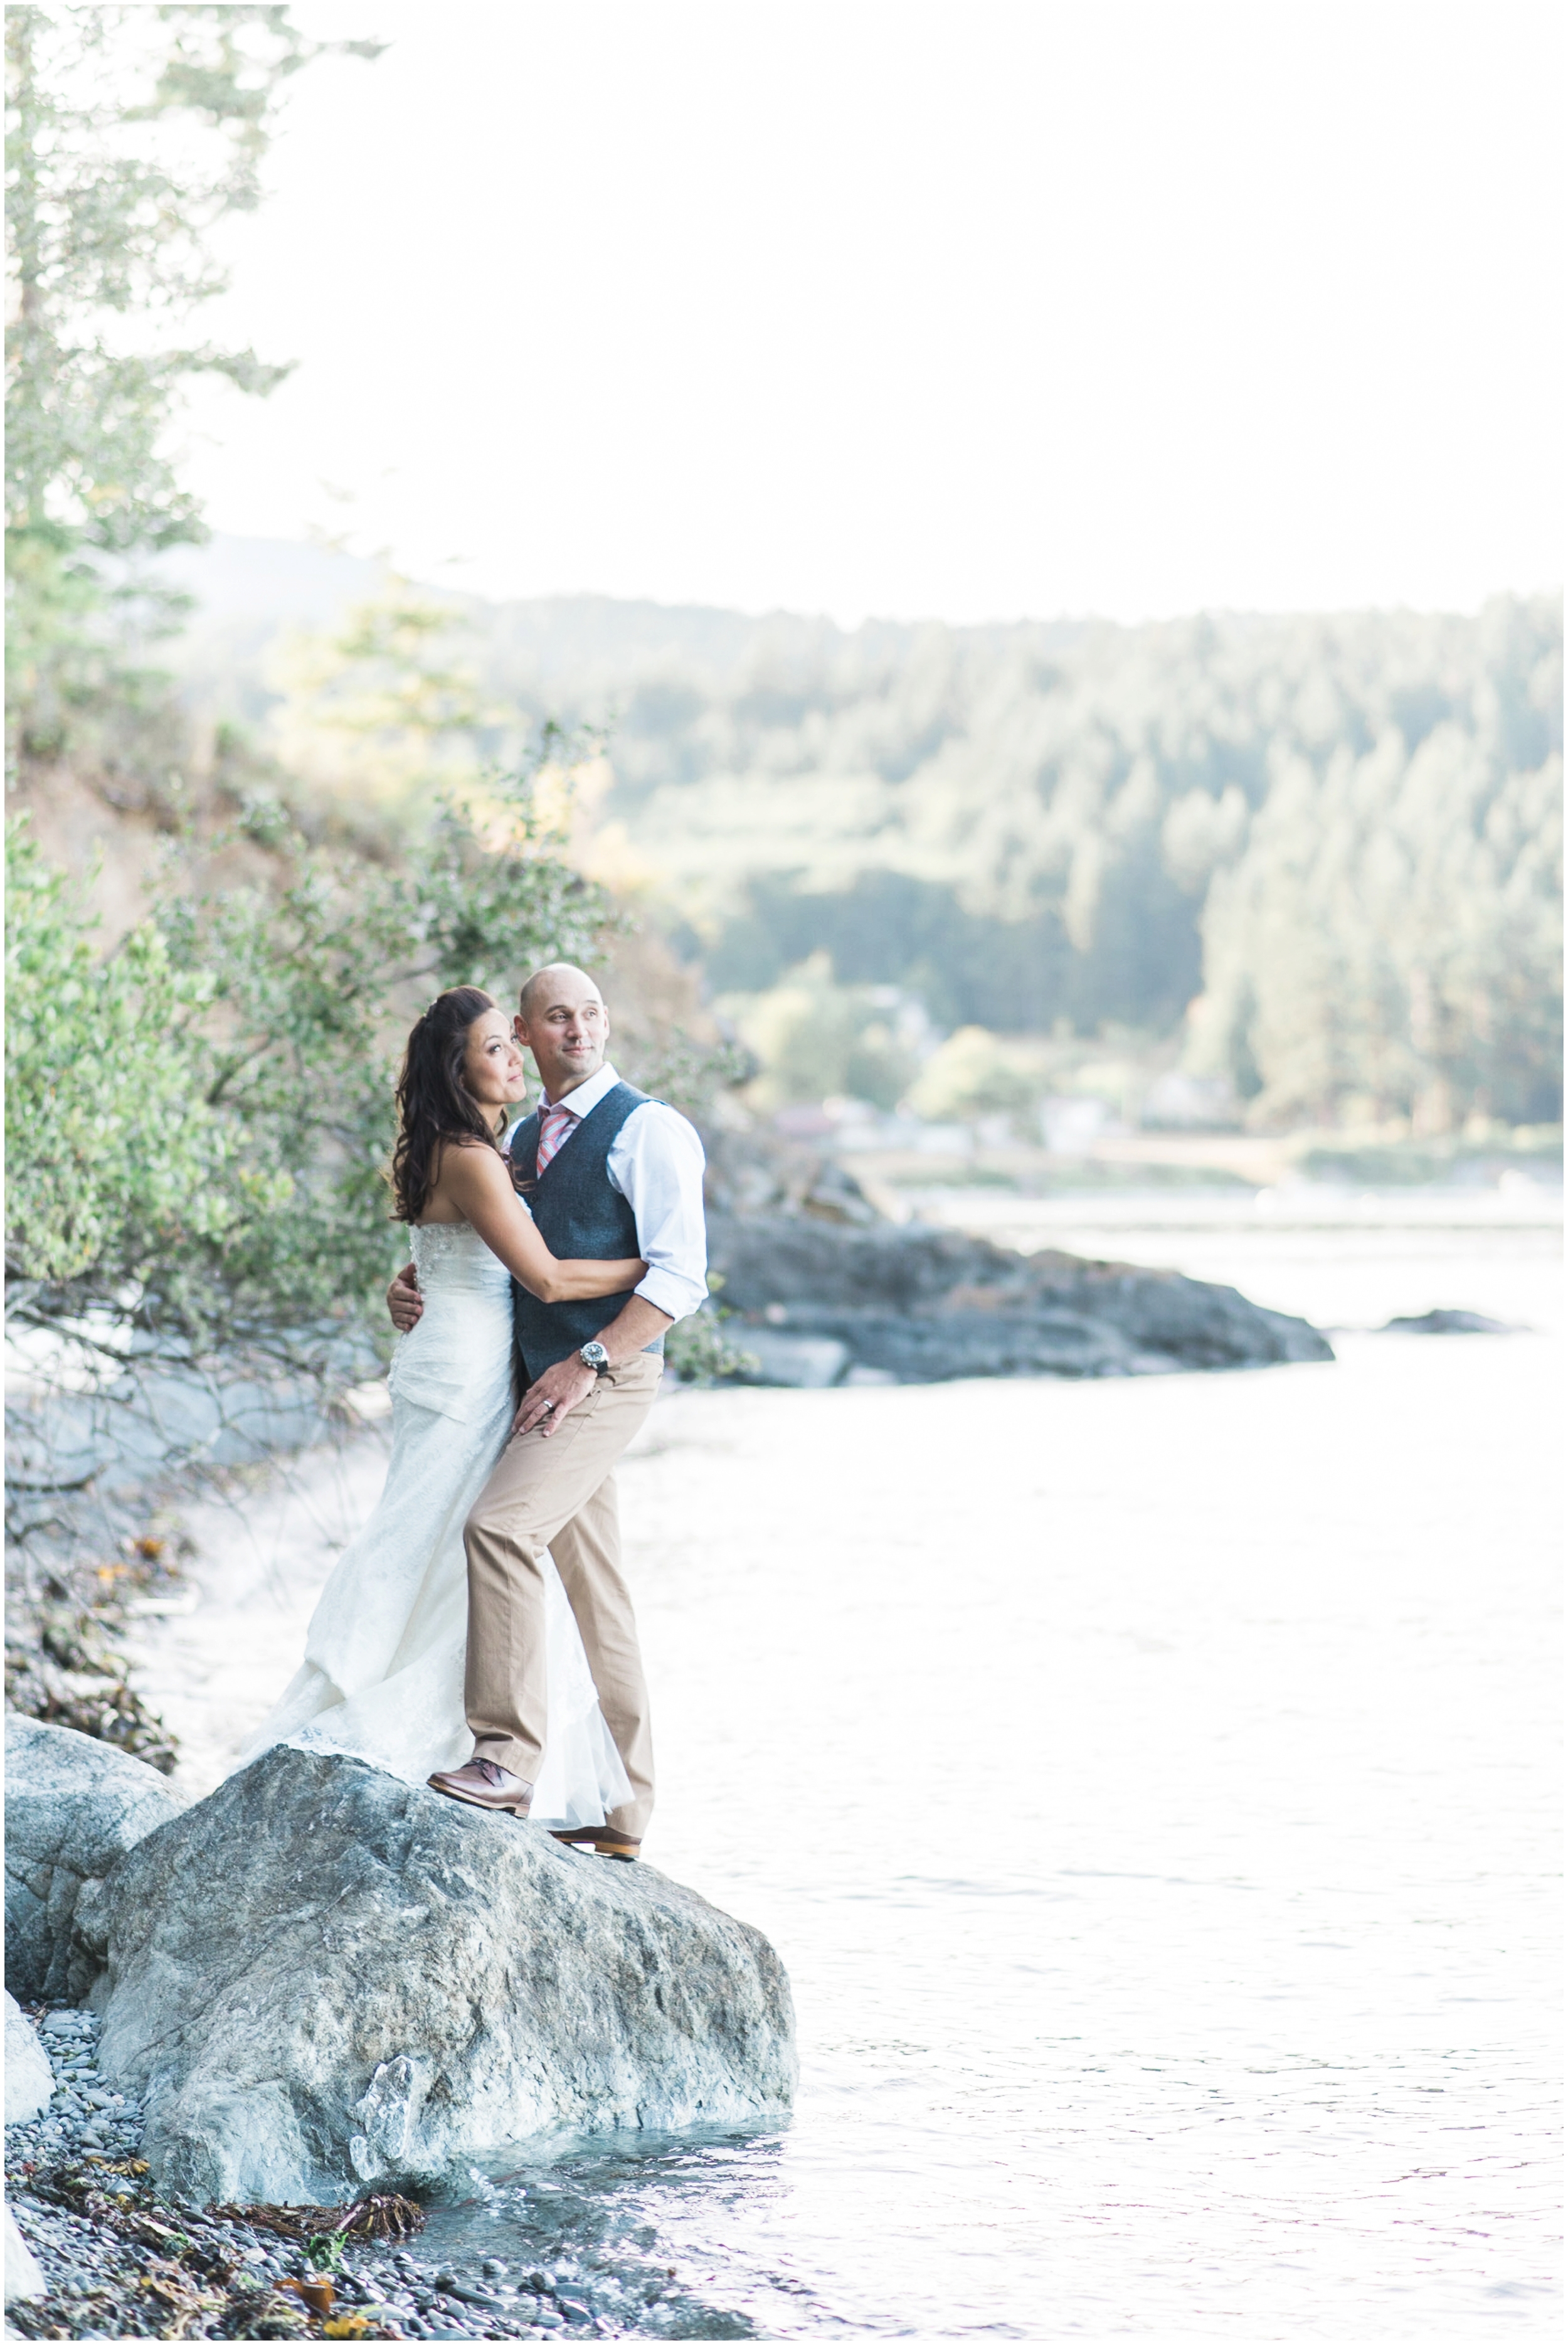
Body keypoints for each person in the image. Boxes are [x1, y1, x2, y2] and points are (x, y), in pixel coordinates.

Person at [238, 987, 650, 1829]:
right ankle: (465, 1738)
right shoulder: (470, 1153)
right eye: (496, 1048)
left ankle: (575, 1782)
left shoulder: (465, 1147)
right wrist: (655, 1274)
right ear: (456, 1068)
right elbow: (545, 1277)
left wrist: (410, 1283)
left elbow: (452, 1256)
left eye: (511, 1044)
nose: (513, 1059)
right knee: (449, 1535)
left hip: (455, 1361)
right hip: (465, 1374)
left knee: (451, 1539)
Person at [394, 963, 707, 1858]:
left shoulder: (650, 1129)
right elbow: (495, 1251)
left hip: (602, 1378)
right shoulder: (524, 1134)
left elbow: (680, 1275)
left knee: (498, 1527)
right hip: (535, 1378)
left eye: (593, 1013)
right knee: (597, 1593)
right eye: (558, 1017)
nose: (580, 1029)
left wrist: (591, 1361)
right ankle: (622, 1810)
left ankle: (507, 1755)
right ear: (526, 1036)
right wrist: (416, 1284)